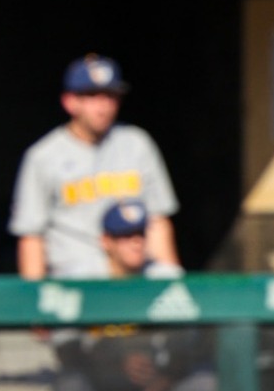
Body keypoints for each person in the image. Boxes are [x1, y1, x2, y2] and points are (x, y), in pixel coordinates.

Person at [47, 202, 215, 391]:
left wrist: (166, 380)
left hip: (159, 388)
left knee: (209, 390)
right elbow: (65, 347)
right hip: (103, 387)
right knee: (68, 387)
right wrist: (111, 363)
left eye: (139, 234)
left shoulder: (166, 277)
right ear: (106, 241)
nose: (135, 242)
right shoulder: (84, 279)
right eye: (124, 236)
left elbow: (191, 344)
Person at [11, 54, 181, 282]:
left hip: (135, 278)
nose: (103, 106)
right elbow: (31, 236)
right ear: (70, 101)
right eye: (92, 96)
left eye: (111, 96)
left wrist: (170, 289)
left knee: (168, 274)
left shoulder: (137, 143)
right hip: (75, 282)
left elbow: (158, 221)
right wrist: (35, 307)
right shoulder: (42, 156)